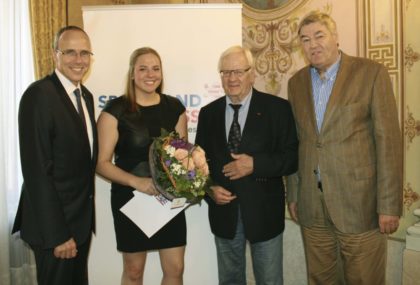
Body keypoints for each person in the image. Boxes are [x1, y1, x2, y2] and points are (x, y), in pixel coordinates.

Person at [286, 12, 403, 285]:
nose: (313, 44)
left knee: (365, 279)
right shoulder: (296, 83)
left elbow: (389, 142)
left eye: (319, 35)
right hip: (312, 208)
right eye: (305, 39)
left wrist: (389, 205)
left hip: (360, 206)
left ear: (335, 37)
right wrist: (293, 192)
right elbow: (296, 142)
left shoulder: (371, 73)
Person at [195, 45, 298, 285]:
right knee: (230, 280)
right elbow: (197, 163)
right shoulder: (208, 114)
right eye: (226, 72)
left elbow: (292, 157)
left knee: (270, 280)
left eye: (239, 71)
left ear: (252, 73)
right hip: (224, 214)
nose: (232, 78)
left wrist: (256, 164)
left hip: (264, 213)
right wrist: (208, 190)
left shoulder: (278, 109)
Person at [12, 26, 97, 285]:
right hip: (56, 232)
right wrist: (58, 235)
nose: (78, 60)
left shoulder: (86, 97)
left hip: (79, 225)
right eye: (70, 52)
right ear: (54, 55)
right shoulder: (38, 95)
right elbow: (37, 171)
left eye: (84, 53)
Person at [96, 47, 188, 285]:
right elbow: (101, 163)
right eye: (143, 68)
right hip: (130, 198)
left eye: (155, 68)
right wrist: (137, 182)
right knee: (134, 271)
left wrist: (189, 177)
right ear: (132, 74)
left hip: (167, 199)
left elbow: (183, 156)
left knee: (175, 269)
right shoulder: (115, 111)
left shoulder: (175, 108)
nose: (150, 74)